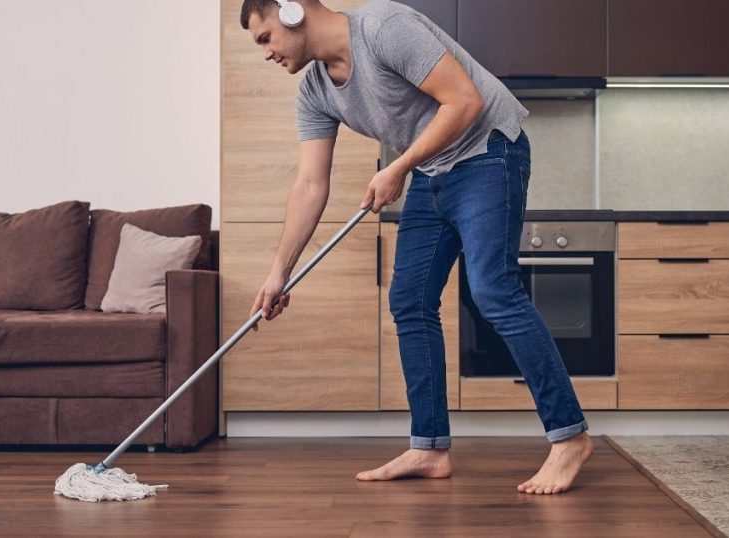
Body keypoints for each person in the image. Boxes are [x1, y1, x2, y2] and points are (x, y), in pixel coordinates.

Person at [242, 0, 594, 494]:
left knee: (493, 290)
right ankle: (429, 447)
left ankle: (569, 437)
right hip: (434, 171)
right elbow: (309, 185)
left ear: (293, 12)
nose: (266, 53)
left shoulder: (385, 27)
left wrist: (398, 166)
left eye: (265, 38)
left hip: (487, 151)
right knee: (409, 300)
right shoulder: (315, 91)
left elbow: (465, 101)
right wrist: (279, 270)